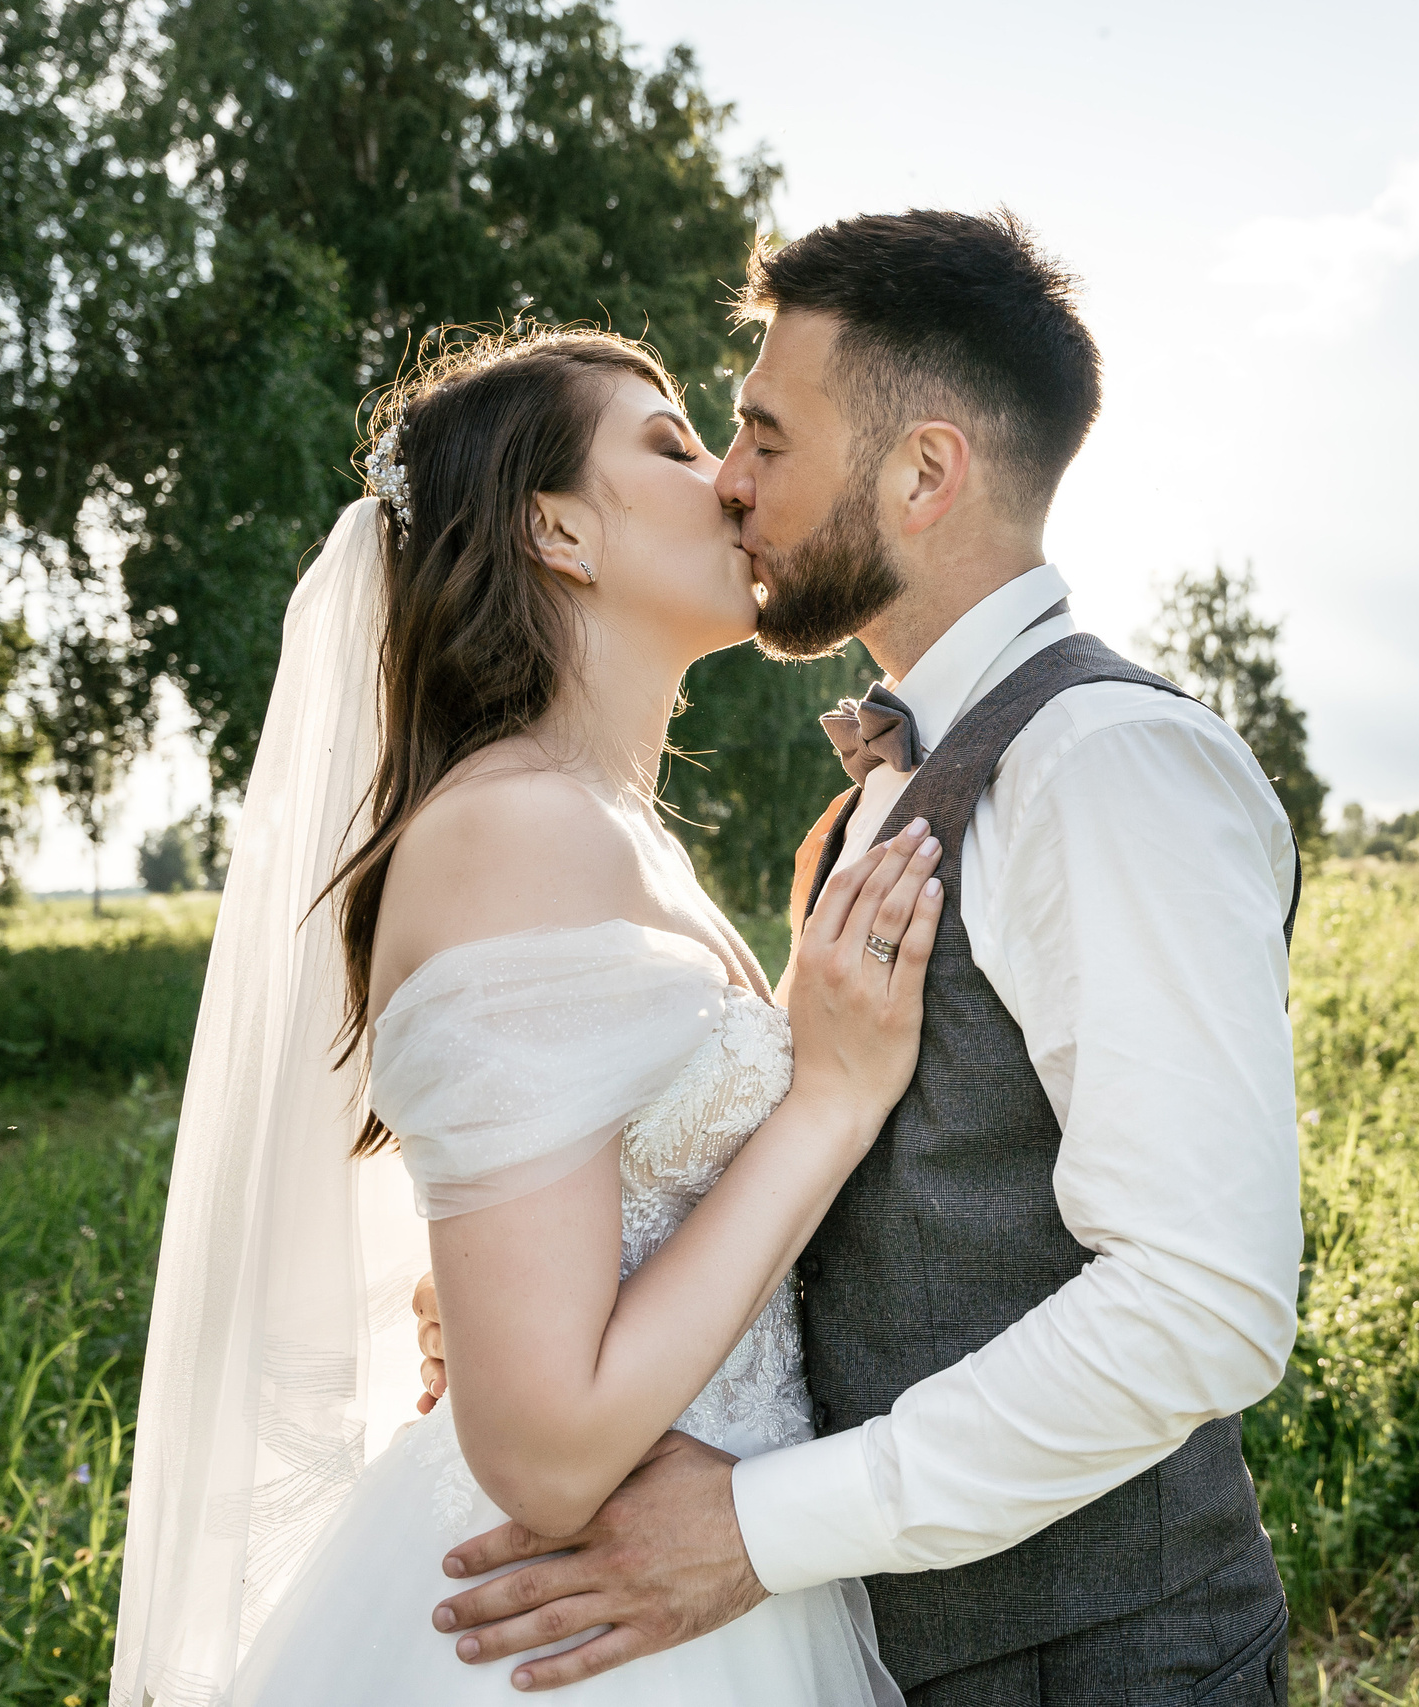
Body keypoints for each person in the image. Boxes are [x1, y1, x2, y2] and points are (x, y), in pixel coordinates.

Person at [417, 211, 1304, 1703]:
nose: (731, 482)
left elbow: (1203, 1298)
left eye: (763, 433)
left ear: (924, 471)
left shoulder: (1110, 764)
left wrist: (760, 1531)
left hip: (1101, 1661)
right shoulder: (881, 792)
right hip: (869, 1650)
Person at [109, 324, 933, 1705]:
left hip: (702, 1589)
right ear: (558, 530)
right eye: (673, 444)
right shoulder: (512, 834)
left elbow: (637, 1173)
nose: (734, 480)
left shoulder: (602, 830)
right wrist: (835, 1098)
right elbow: (546, 1454)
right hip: (586, 1635)